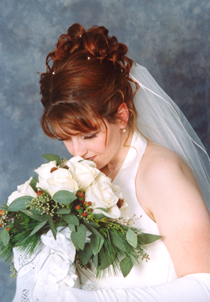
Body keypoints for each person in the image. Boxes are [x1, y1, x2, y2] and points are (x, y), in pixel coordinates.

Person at [12, 23, 210, 301]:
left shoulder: (162, 172)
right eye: (66, 139)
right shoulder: (78, 175)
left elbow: (204, 286)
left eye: (89, 135)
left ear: (121, 116)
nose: (77, 151)